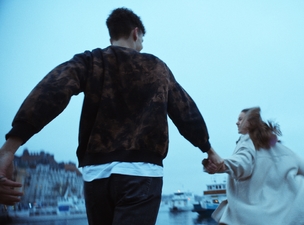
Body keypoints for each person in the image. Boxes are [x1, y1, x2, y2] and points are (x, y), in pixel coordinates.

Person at [0, 7, 223, 225]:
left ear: (111, 36)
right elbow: (186, 112)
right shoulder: (156, 67)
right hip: (142, 174)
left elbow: (51, 91)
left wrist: (10, 148)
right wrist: (208, 149)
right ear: (136, 33)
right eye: (142, 40)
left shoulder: (91, 61)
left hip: (96, 176)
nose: (142, 46)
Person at [203, 107, 304, 225]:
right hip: (276, 214)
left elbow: (242, 163)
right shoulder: (278, 147)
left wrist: (222, 164)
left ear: (251, 123)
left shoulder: (246, 141)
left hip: (250, 216)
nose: (237, 122)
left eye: (241, 119)